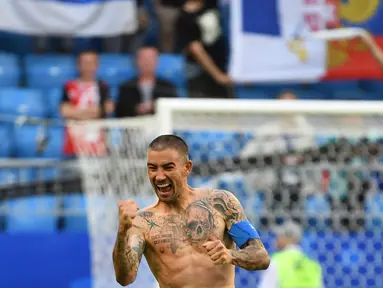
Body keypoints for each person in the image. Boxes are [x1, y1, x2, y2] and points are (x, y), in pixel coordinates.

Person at [113, 135, 270, 287]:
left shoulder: (220, 203)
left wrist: (231, 255)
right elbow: (125, 278)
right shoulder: (142, 222)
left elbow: (261, 257)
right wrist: (122, 232)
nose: (159, 176)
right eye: (153, 168)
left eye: (168, 167)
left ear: (187, 167)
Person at [60, 49, 114, 157]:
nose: (88, 66)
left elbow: (108, 108)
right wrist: (93, 112)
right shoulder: (69, 86)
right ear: (78, 65)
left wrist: (78, 113)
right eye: (84, 63)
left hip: (98, 143)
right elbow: (65, 111)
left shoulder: (103, 86)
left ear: (97, 65)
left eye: (91, 63)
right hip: (74, 142)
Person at [175, 0, 233, 98]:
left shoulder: (214, 5)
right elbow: (195, 48)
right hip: (200, 71)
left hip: (224, 64)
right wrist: (217, 75)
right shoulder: (183, 17)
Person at [115, 46, 177, 118]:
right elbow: (120, 112)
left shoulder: (168, 86)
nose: (147, 62)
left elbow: (173, 110)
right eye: (144, 59)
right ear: (136, 61)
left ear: (157, 61)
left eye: (151, 59)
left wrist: (155, 106)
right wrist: (136, 109)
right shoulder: (126, 87)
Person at [258, 221, 323, 288]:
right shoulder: (312, 264)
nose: (276, 240)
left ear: (286, 237)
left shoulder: (276, 261)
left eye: (279, 236)